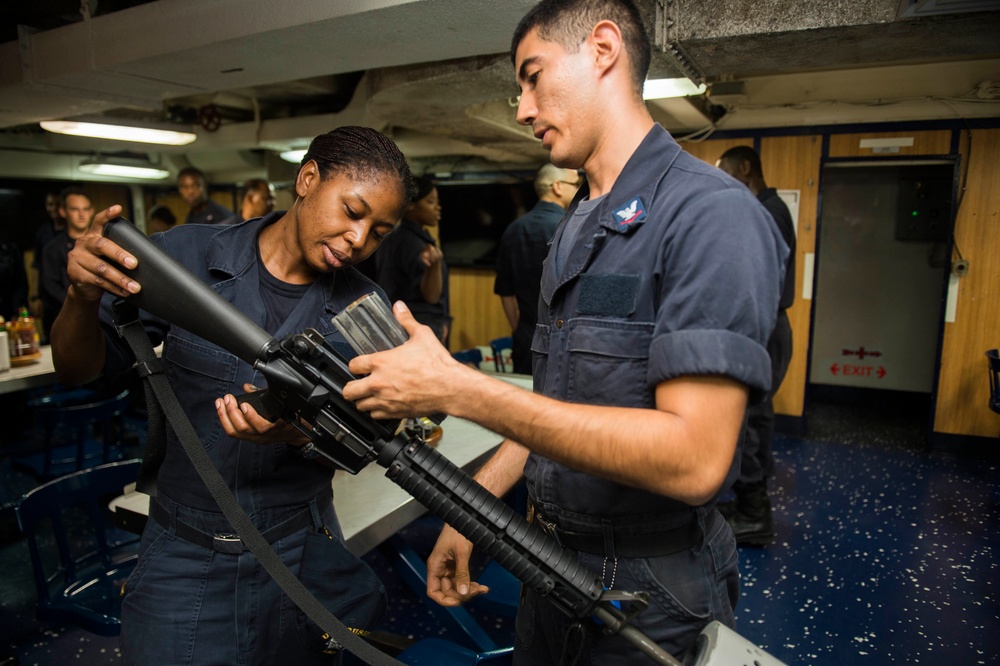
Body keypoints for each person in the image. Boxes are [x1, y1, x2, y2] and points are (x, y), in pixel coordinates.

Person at [342, 0, 787, 661]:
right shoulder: (578, 226)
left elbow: (695, 460)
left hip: (647, 585)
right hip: (546, 561)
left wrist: (459, 388)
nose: (522, 108)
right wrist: (474, 513)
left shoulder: (709, 215)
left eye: (533, 75)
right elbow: (557, 410)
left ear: (603, 49)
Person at [50, 126, 415, 665]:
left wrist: (299, 431)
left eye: (379, 232)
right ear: (308, 179)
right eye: (353, 212)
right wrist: (80, 297)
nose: (359, 239)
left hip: (300, 548)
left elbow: (374, 439)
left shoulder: (366, 309)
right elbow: (76, 369)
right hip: (183, 550)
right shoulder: (187, 256)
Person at [716, 145, 796, 546]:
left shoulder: (766, 211)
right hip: (766, 325)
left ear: (745, 168)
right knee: (754, 418)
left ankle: (753, 515)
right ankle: (748, 505)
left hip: (765, 327)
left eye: (727, 173)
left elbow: (758, 277)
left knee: (750, 421)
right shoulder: (771, 208)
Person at [494, 163, 581, 374]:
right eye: (575, 184)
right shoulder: (568, 227)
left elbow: (506, 292)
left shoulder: (513, 229)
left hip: (525, 336)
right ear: (557, 187)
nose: (579, 189)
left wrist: (519, 329)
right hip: (562, 338)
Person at [372, 175, 450, 342]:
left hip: (395, 319)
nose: (438, 207)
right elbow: (431, 296)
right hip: (419, 324)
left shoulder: (392, 237)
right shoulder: (413, 243)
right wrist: (435, 265)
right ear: (411, 205)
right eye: (430, 202)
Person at [39, 187, 94, 341]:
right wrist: (80, 302)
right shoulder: (52, 249)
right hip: (68, 317)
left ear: (91, 211)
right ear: (63, 212)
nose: (81, 214)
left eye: (86, 209)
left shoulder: (103, 245)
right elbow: (50, 287)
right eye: (75, 209)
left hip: (101, 317)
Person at [29, 192, 65, 319]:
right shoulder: (43, 233)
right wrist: (35, 297)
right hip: (48, 298)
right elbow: (36, 265)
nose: (54, 208)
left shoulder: (72, 232)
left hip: (68, 295)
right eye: (50, 204)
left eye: (57, 204)